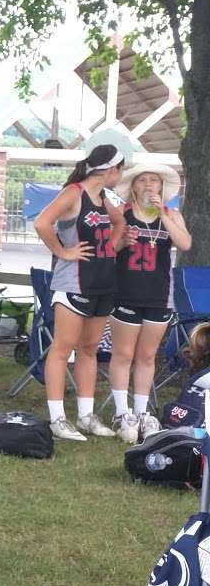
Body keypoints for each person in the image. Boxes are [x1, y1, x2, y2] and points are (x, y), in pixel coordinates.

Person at [34, 144, 132, 441]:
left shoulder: (103, 197)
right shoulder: (74, 192)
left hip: (103, 282)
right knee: (62, 349)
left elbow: (120, 223)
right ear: (111, 170)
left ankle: (86, 416)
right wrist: (62, 252)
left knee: (89, 350)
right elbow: (42, 222)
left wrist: (111, 248)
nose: (121, 176)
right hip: (73, 284)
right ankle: (57, 419)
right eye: (121, 170)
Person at [108, 163, 190, 441]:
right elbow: (106, 249)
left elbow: (185, 243)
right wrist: (122, 241)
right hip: (125, 292)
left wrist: (163, 216)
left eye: (153, 180)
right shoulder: (121, 213)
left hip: (159, 294)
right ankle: (122, 412)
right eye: (142, 180)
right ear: (133, 186)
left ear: (161, 186)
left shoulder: (173, 214)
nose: (148, 185)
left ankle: (142, 412)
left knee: (146, 355)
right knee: (124, 354)